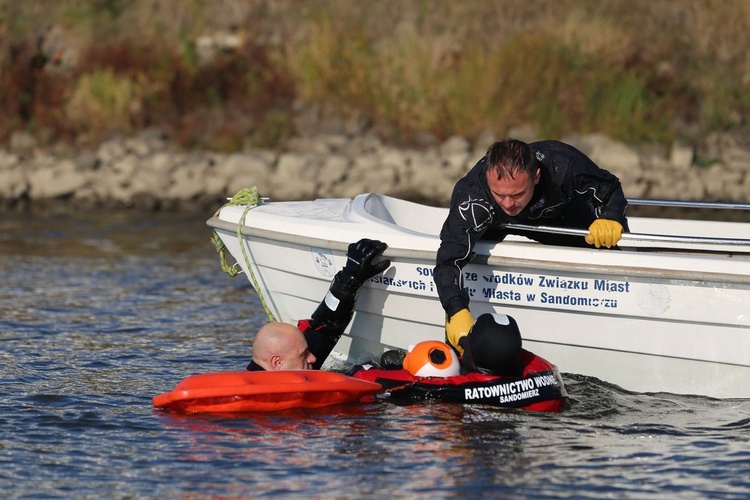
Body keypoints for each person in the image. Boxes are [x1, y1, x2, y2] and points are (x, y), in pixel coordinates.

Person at [435, 138, 629, 354]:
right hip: (495, 224)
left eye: (517, 194)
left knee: (609, 244)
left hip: (560, 216)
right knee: (458, 256)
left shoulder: (564, 165)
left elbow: (609, 187)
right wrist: (456, 310)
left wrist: (612, 217)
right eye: (500, 194)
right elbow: (448, 258)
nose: (509, 203)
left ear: (535, 177)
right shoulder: (472, 194)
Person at [246, 238, 391, 371]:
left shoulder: (290, 363)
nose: (313, 358)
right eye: (304, 355)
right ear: (276, 362)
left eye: (307, 351)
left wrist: (350, 278)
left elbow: (326, 326)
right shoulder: (259, 396)